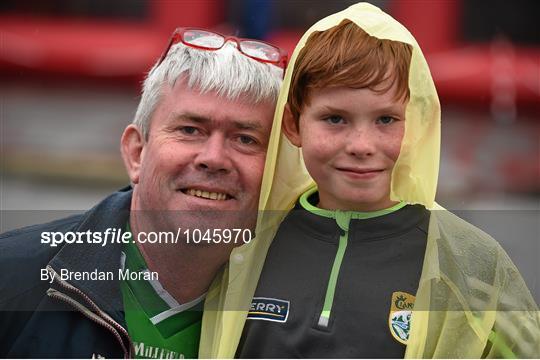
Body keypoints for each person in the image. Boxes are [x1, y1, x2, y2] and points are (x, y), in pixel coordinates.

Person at [198, 3, 539, 358]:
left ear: (415, 125)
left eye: (386, 120)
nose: (362, 146)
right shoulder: (244, 241)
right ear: (292, 125)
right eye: (335, 119)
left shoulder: (471, 261)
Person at [0, 28, 285, 358]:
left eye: (245, 139)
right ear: (136, 153)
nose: (214, 158)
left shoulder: (301, 314)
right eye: (190, 130)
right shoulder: (11, 281)